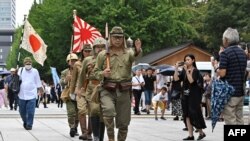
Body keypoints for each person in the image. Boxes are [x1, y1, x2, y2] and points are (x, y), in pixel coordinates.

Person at [94, 26, 142, 141]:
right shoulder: (103, 55)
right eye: (115, 37)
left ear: (123, 39)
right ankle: (111, 138)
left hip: (124, 90)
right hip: (107, 89)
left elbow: (136, 56)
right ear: (110, 38)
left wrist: (138, 50)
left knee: (124, 122)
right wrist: (102, 74)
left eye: (120, 37)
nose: (117, 40)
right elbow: (95, 72)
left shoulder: (128, 53)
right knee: (108, 111)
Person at [77, 37, 107, 141]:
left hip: (105, 87)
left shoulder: (109, 58)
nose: (100, 49)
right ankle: (96, 136)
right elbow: (81, 76)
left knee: (103, 113)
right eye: (97, 47)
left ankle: (100, 137)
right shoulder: (87, 60)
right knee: (94, 110)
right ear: (94, 48)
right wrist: (79, 89)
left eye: (102, 47)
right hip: (92, 88)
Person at [217, 27, 247, 125]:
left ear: (226, 40)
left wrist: (217, 68)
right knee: (239, 118)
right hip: (241, 91)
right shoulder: (243, 53)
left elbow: (222, 73)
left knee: (230, 120)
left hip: (230, 92)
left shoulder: (225, 53)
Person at [174, 54, 206, 140]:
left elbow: (191, 81)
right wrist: (176, 68)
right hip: (185, 95)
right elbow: (176, 79)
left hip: (194, 96)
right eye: (185, 59)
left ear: (193, 60)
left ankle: (201, 132)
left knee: (194, 114)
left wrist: (187, 72)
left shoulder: (195, 71)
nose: (186, 61)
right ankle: (191, 135)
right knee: (187, 115)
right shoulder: (184, 70)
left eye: (188, 59)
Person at [70, 44, 93, 140]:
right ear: (82, 52)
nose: (87, 53)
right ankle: (84, 132)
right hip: (80, 90)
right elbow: (74, 79)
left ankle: (89, 133)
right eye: (85, 51)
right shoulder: (77, 64)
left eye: (89, 51)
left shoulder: (95, 62)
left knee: (92, 112)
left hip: (92, 91)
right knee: (81, 110)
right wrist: (71, 92)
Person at [18, 57, 43, 130]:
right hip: (21, 94)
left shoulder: (35, 71)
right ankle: (25, 121)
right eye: (26, 63)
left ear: (31, 63)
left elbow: (38, 82)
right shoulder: (20, 70)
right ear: (24, 64)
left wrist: (40, 89)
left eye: (29, 63)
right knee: (22, 111)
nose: (28, 65)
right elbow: (17, 79)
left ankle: (29, 124)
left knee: (31, 111)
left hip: (32, 94)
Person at [60, 53, 79, 137]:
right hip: (69, 94)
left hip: (78, 93)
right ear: (68, 62)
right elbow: (61, 83)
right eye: (71, 61)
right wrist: (65, 80)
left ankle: (76, 127)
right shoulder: (65, 72)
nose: (73, 62)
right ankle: (72, 127)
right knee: (71, 112)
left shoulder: (80, 70)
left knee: (78, 113)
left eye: (75, 61)